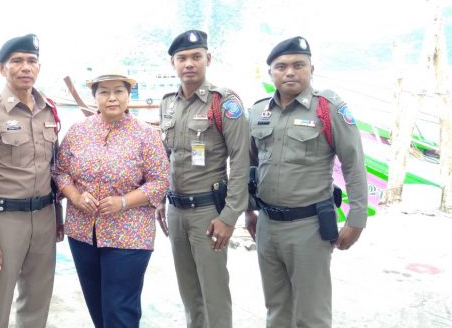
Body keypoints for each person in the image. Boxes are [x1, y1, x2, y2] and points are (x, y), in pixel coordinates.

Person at [246, 36, 367, 328]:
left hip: (309, 227)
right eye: (281, 66)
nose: (290, 72)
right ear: (271, 72)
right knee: (276, 309)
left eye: (298, 65)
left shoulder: (328, 108)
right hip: (267, 225)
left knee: (311, 315)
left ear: (312, 68)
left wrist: (356, 219)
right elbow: (250, 166)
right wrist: (248, 210)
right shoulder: (259, 111)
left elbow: (353, 164)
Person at [53, 69, 169, 328]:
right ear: (95, 97)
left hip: (129, 234)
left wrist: (123, 202)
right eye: (104, 92)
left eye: (119, 91)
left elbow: (160, 181)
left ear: (128, 95)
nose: (112, 98)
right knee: (97, 307)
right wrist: (75, 196)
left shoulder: (145, 135)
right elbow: (60, 171)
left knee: (119, 310)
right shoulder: (78, 131)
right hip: (83, 232)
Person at [0, 33, 62, 328]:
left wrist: (58, 219)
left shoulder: (48, 110)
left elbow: (53, 169)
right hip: (5, 220)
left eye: (31, 61)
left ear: (39, 67)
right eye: (17, 61)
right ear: (1, 68)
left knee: (37, 300)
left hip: (44, 218)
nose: (25, 67)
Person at [155, 30, 250, 328]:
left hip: (209, 212)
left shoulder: (224, 102)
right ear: (173, 63)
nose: (189, 64)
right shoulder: (167, 103)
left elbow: (241, 160)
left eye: (196, 57)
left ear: (208, 59)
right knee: (189, 294)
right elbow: (165, 155)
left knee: (214, 294)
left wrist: (230, 216)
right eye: (182, 58)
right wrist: (160, 199)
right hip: (176, 210)